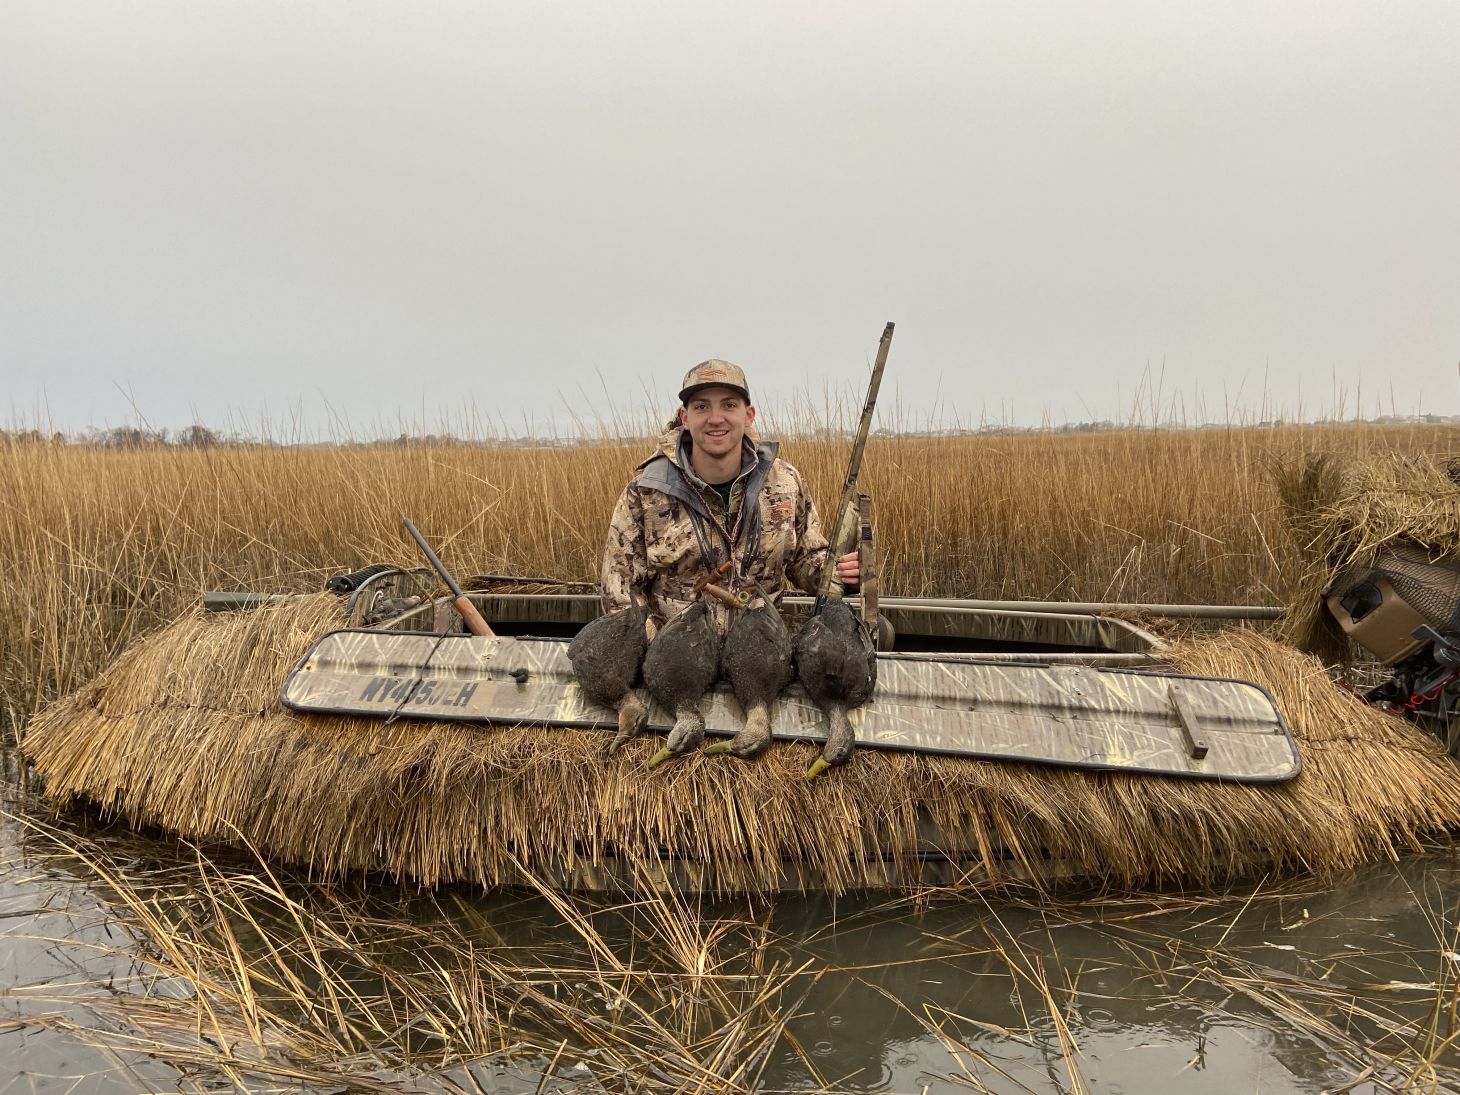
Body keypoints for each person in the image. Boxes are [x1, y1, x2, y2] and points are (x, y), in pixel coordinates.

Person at [601, 359, 859, 633]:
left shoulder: (785, 482)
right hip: (675, 659)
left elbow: (805, 560)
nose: (715, 418)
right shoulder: (646, 491)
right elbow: (619, 590)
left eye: (729, 405)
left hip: (764, 650)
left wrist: (841, 572)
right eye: (701, 406)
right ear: (685, 418)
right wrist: (657, 650)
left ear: (748, 415)